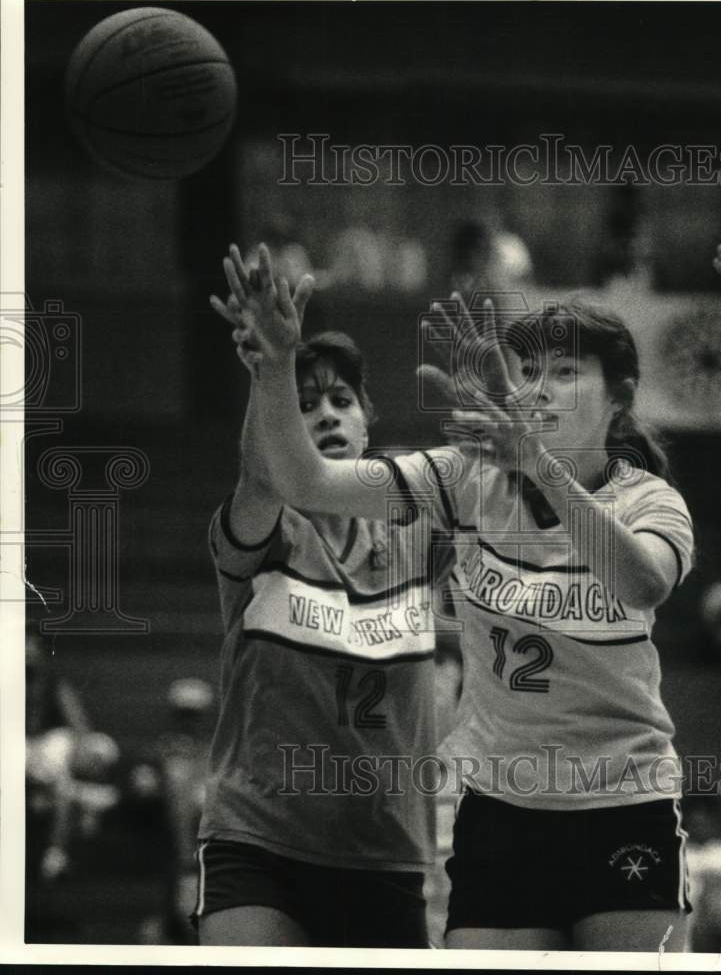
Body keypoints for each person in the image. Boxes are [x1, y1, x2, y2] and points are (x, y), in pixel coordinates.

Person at [240, 248, 695, 953]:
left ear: (619, 396)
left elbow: (641, 582)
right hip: (501, 811)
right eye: (531, 373)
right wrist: (273, 362)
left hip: (622, 804)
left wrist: (536, 466)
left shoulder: (650, 501)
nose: (541, 389)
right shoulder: (465, 478)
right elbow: (307, 483)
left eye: (566, 373)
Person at [194, 245, 452, 947]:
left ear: (368, 421)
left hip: (386, 854)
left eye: (342, 401)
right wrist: (270, 366)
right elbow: (261, 478)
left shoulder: (416, 535)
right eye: (306, 407)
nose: (327, 416)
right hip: (258, 841)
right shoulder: (266, 534)